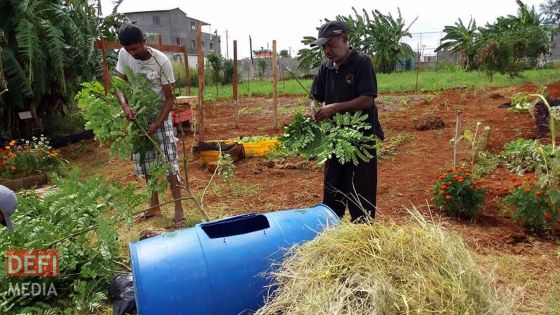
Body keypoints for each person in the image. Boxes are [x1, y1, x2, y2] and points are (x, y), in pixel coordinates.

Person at [309, 21, 384, 222]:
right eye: (323, 46)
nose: (327, 50)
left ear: (344, 39)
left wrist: (334, 107)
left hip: (361, 139)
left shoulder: (362, 63)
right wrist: (313, 108)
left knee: (362, 191)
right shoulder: (325, 68)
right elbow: (315, 96)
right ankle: (331, 227)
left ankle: (362, 234)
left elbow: (367, 100)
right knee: (333, 188)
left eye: (330, 44)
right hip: (335, 138)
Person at [115, 24, 184, 227]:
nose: (132, 54)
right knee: (144, 162)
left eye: (135, 49)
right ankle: (154, 206)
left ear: (144, 42)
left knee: (169, 162)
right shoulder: (123, 54)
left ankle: (179, 209)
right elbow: (119, 84)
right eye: (129, 50)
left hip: (159, 115)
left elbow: (170, 98)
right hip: (137, 114)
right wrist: (125, 105)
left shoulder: (161, 61)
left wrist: (156, 124)